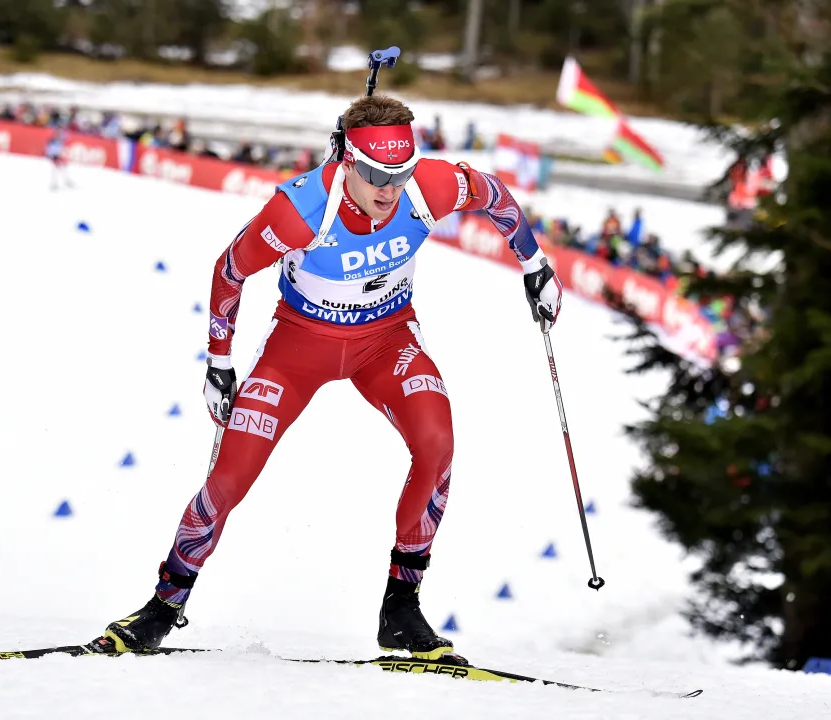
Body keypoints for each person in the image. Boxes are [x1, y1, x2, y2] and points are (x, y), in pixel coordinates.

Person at [89, 94, 563, 660]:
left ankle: (402, 608)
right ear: (345, 160)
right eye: (374, 174)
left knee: (437, 444)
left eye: (401, 172)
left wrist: (535, 264)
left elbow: (494, 195)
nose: (389, 190)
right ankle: (162, 609)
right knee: (230, 479)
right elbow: (230, 269)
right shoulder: (302, 210)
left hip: (387, 342)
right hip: (297, 351)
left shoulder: (427, 188)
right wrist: (219, 360)